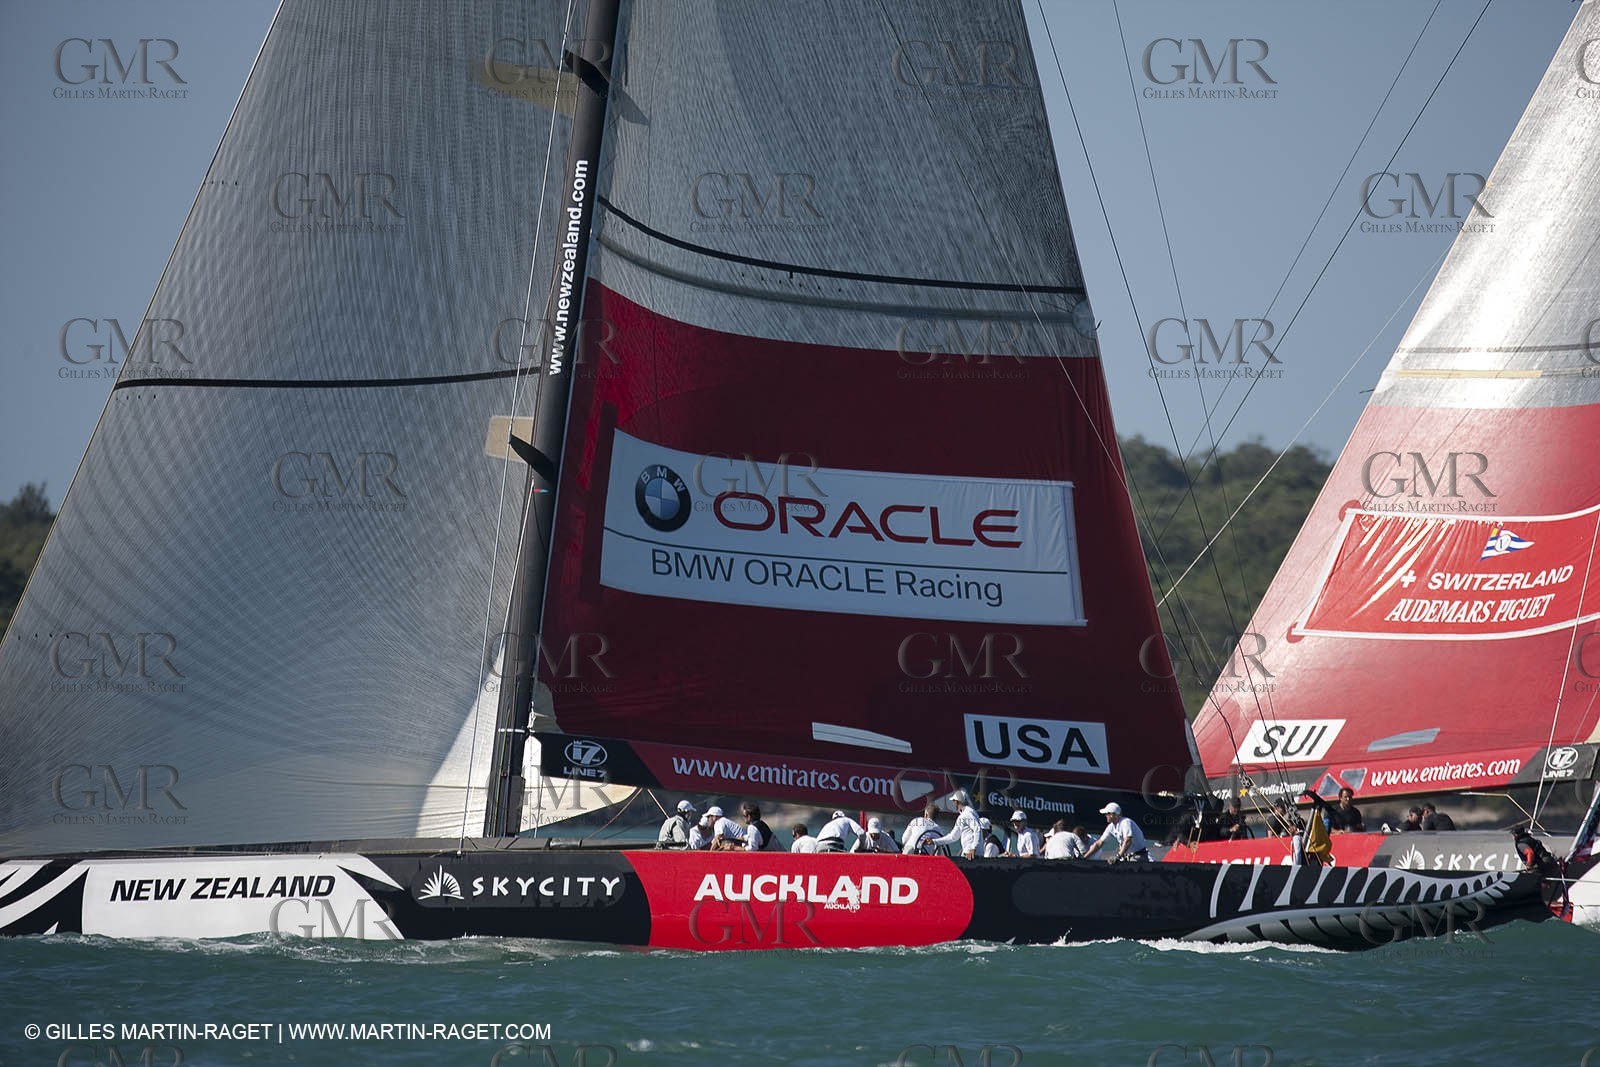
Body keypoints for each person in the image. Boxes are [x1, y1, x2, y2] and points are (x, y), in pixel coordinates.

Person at [1083, 802, 1149, 862]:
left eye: (1107, 814)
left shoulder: (1126, 822)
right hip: (1127, 856)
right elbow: (1099, 843)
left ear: (1113, 814)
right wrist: (1084, 857)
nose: (1106, 816)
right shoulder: (1111, 826)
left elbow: (1128, 841)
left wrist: (1118, 856)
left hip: (1139, 857)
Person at [930, 789, 984, 859]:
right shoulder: (968, 814)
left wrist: (973, 848)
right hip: (971, 853)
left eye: (954, 801)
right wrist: (934, 841)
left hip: (971, 854)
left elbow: (977, 829)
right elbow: (953, 836)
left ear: (957, 802)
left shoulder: (967, 814)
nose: (953, 803)